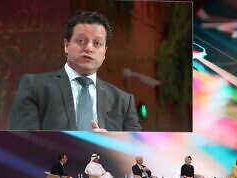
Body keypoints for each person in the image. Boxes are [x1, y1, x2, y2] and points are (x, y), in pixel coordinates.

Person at [10, 10, 141, 131]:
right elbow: (23, 143)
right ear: (66, 45)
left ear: (105, 52)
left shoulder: (123, 101)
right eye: (81, 41)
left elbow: (138, 151)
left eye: (97, 43)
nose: (89, 48)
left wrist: (109, 144)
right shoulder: (36, 87)